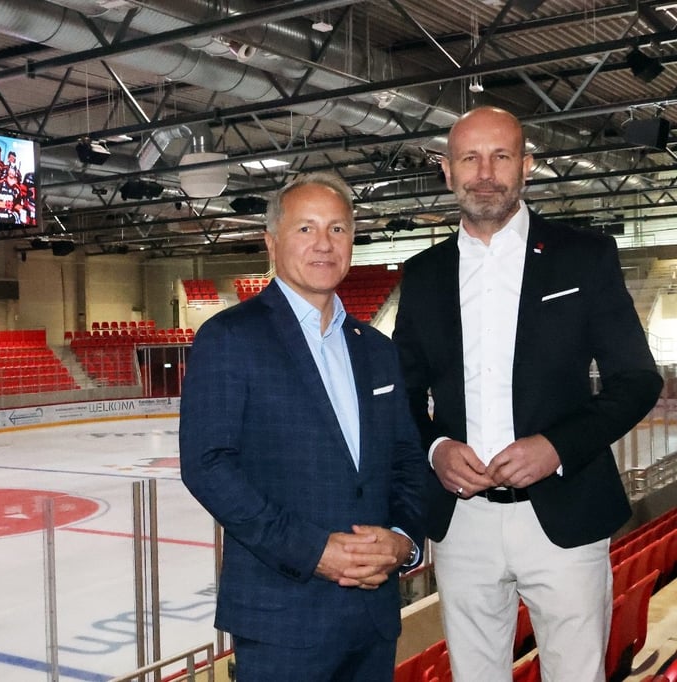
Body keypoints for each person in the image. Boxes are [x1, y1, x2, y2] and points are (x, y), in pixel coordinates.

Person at [392, 106, 662, 682]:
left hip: (564, 516)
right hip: (462, 522)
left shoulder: (584, 256)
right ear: (447, 170)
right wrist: (437, 448)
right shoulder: (423, 275)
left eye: (501, 156)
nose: (485, 172)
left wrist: (556, 447)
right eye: (470, 157)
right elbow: (403, 395)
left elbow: (637, 380)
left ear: (527, 166)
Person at [180, 171, 427, 682]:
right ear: (271, 241)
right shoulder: (229, 337)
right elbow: (207, 466)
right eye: (306, 229)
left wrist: (404, 540)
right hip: (282, 619)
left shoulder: (377, 350)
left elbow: (406, 459)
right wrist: (314, 551)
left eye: (338, 229)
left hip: (373, 617)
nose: (324, 244)